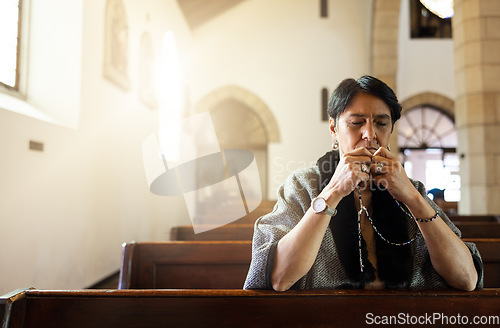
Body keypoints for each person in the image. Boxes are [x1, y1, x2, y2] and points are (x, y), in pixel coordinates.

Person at [243, 76, 483, 291]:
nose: (370, 134)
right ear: (333, 128)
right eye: (356, 123)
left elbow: (466, 279)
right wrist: (333, 191)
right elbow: (279, 278)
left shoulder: (413, 189)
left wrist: (412, 198)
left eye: (381, 123)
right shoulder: (303, 185)